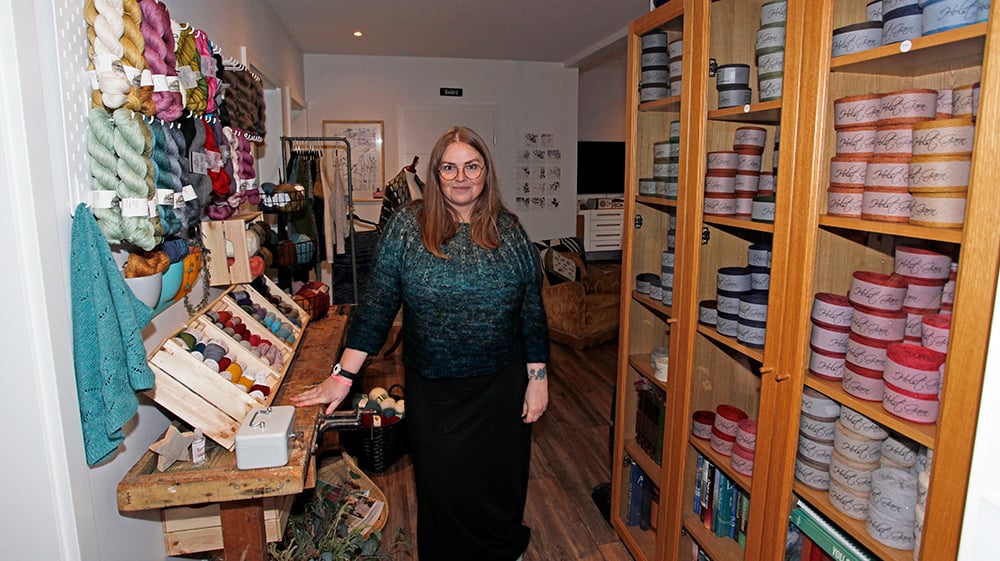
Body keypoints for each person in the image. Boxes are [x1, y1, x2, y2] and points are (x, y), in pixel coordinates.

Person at [292, 126, 550, 561]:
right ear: (435, 174)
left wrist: (537, 379)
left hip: (501, 390)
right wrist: (342, 376)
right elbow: (377, 305)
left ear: (486, 173)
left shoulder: (509, 231)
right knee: (442, 489)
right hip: (435, 392)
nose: (461, 177)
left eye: (471, 166)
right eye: (449, 168)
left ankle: (505, 552)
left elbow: (531, 310)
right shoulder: (407, 228)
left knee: (499, 486)